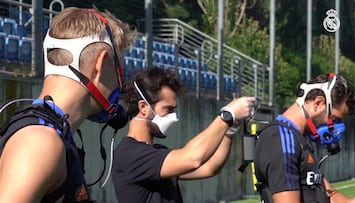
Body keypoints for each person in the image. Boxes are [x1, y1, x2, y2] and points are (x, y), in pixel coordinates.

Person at [0, 7, 136, 202]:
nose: (120, 83)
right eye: (119, 70)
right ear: (101, 64)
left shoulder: (52, 135)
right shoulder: (41, 142)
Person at [111, 67, 257, 203]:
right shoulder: (129, 154)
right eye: (168, 109)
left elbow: (209, 167)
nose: (173, 116)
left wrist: (228, 132)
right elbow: (192, 159)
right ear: (143, 107)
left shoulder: (155, 152)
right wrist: (226, 116)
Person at [254, 73, 355, 203]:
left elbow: (334, 199)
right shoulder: (282, 139)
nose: (335, 128)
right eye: (335, 119)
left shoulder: (298, 140)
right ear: (318, 103)